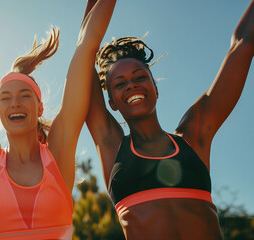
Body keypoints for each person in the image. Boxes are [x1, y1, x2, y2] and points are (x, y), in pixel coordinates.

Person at [85, 1, 254, 239]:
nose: (131, 84)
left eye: (140, 77)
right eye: (120, 84)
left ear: (155, 87)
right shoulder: (112, 147)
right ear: (111, 102)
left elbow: (243, 43)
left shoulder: (194, 136)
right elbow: (85, 49)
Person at [0, 0, 116, 239]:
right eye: (5, 98)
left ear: (39, 108)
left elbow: (87, 47)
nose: (15, 103)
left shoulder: (57, 154)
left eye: (24, 95)